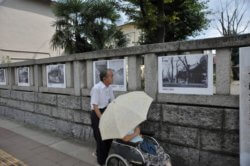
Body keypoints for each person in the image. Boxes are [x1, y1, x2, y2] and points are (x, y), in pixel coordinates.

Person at [90, 69, 115, 166]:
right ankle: (101, 161)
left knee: (109, 136)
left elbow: (112, 102)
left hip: (106, 111)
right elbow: (95, 106)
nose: (112, 77)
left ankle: (101, 154)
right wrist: (102, 118)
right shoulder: (97, 88)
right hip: (97, 113)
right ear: (105, 78)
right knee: (101, 137)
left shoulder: (109, 88)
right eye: (111, 76)